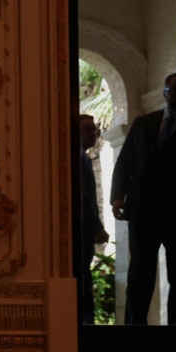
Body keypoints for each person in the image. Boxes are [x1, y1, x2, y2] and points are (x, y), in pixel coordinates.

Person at [109, 72, 176, 325]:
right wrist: (117, 197)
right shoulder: (143, 124)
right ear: (165, 93)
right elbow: (125, 162)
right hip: (143, 210)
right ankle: (135, 329)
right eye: (175, 89)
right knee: (140, 272)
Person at [78, 114, 109, 323]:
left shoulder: (82, 157)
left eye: (94, 129)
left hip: (83, 229)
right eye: (88, 129)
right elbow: (85, 196)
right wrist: (97, 227)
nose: (94, 133)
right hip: (81, 230)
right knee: (82, 280)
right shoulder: (81, 158)